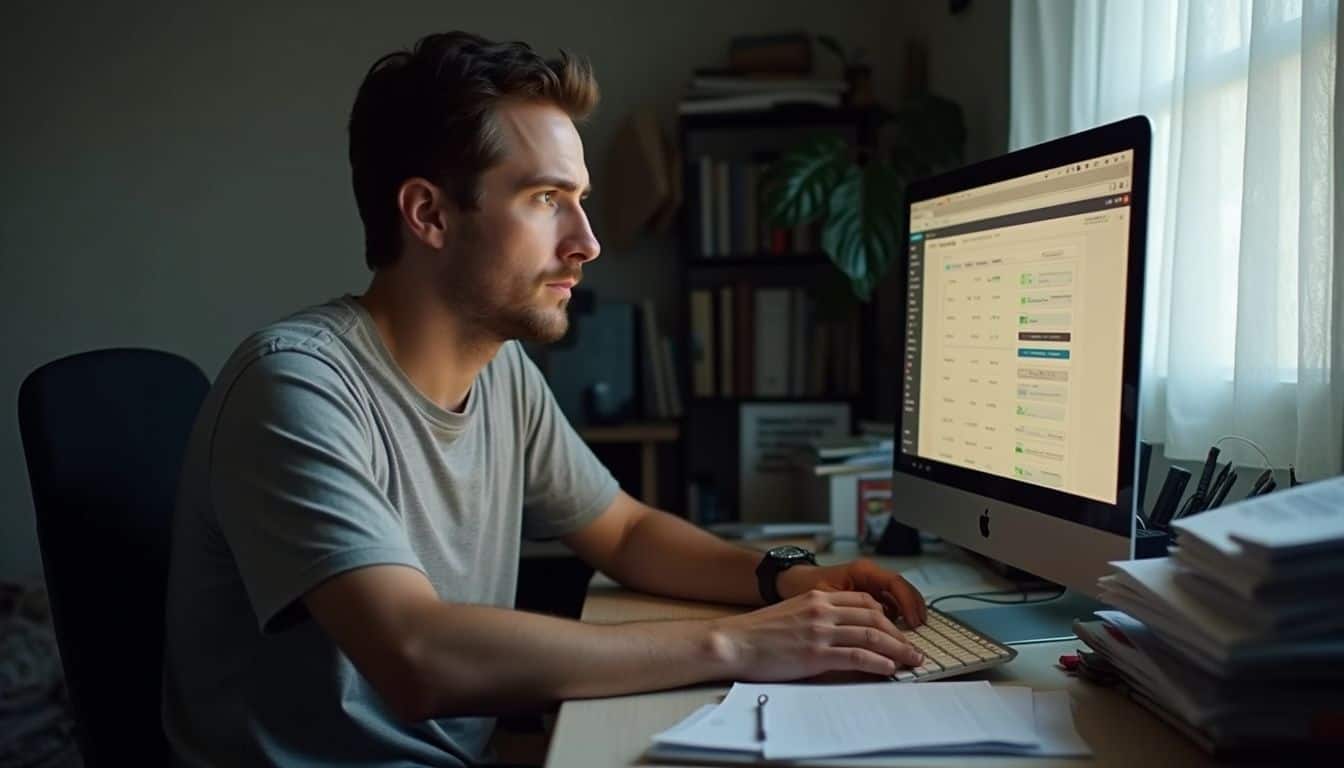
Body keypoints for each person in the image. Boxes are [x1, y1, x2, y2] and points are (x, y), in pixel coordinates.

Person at [161, 30, 926, 767]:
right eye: (546, 198)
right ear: (428, 214)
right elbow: (417, 656)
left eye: (580, 198)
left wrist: (784, 578)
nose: (587, 242)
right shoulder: (297, 386)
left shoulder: (500, 369)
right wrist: (742, 644)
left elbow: (622, 532)